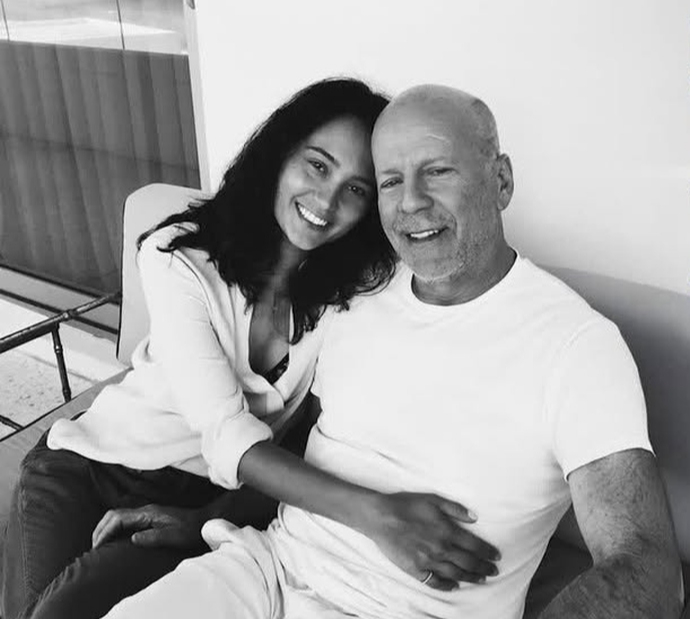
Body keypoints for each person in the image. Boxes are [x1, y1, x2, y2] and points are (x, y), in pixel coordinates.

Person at [102, 84, 682, 619]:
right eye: (389, 182)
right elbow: (309, 445)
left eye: (438, 171)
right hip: (263, 572)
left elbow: (648, 567)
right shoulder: (359, 297)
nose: (411, 202)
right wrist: (205, 520)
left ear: (501, 181)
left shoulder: (577, 346)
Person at [3, 79, 498, 619]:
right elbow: (226, 432)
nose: (327, 200)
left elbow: (322, 427)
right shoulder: (176, 258)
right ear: (279, 156)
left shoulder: (356, 295)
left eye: (357, 188)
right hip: (85, 466)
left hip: (197, 498)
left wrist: (208, 518)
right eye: (317, 165)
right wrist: (380, 516)